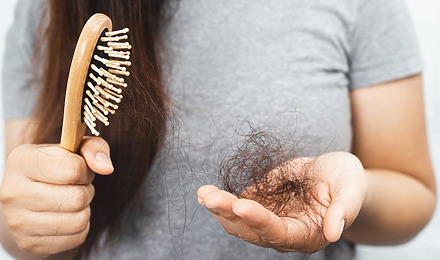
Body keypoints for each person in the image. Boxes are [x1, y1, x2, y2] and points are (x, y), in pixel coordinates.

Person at [0, 0, 436, 259]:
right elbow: (22, 231)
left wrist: (348, 198)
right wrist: (27, 216)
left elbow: (413, 192)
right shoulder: (47, 9)